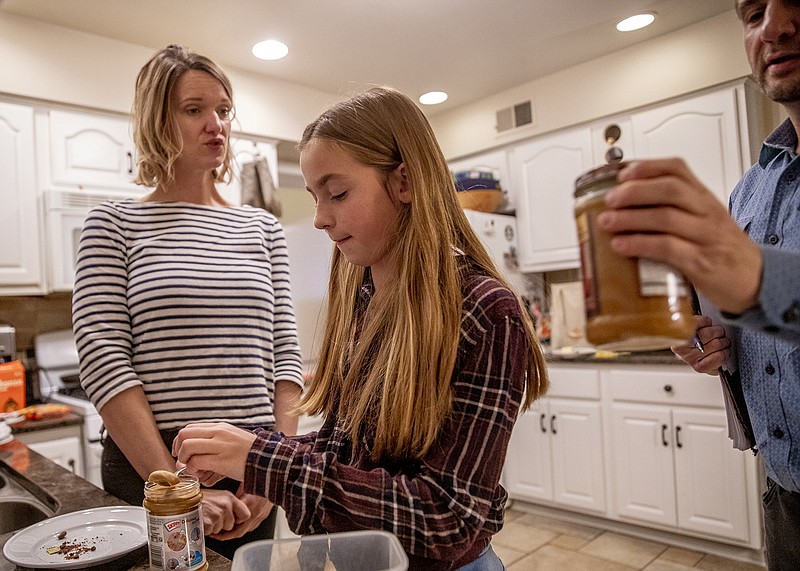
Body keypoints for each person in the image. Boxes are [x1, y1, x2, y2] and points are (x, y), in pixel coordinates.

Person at [172, 86, 549, 570]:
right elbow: (346, 450)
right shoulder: (365, 297)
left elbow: (447, 520)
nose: (319, 219)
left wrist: (265, 459)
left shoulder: (484, 311)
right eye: (314, 197)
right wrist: (247, 455)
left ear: (405, 182)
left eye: (338, 193)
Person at [71, 44, 305, 559]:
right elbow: (104, 357)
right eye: (194, 109)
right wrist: (177, 487)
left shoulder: (261, 228)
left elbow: (286, 354)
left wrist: (278, 467)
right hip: (152, 464)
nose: (215, 124)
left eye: (223, 110)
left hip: (253, 465)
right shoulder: (113, 225)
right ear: (157, 119)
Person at [594, 1, 800, 568]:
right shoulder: (751, 191)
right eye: (754, 12)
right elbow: (753, 329)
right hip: (784, 497)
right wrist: (714, 341)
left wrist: (758, 281)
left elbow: (764, 289)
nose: (774, 27)